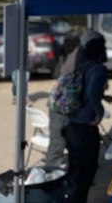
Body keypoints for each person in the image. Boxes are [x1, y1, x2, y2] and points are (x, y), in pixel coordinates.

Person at [64, 33, 108, 203]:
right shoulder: (99, 68)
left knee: (75, 168)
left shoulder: (81, 65)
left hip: (72, 122)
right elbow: (92, 91)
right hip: (85, 125)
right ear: (100, 51)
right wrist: (100, 112)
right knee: (87, 168)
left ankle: (72, 198)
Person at [44, 29, 91, 168]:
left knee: (64, 142)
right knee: (59, 142)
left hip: (62, 103)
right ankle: (52, 173)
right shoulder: (80, 58)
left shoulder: (75, 56)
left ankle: (68, 173)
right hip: (61, 105)